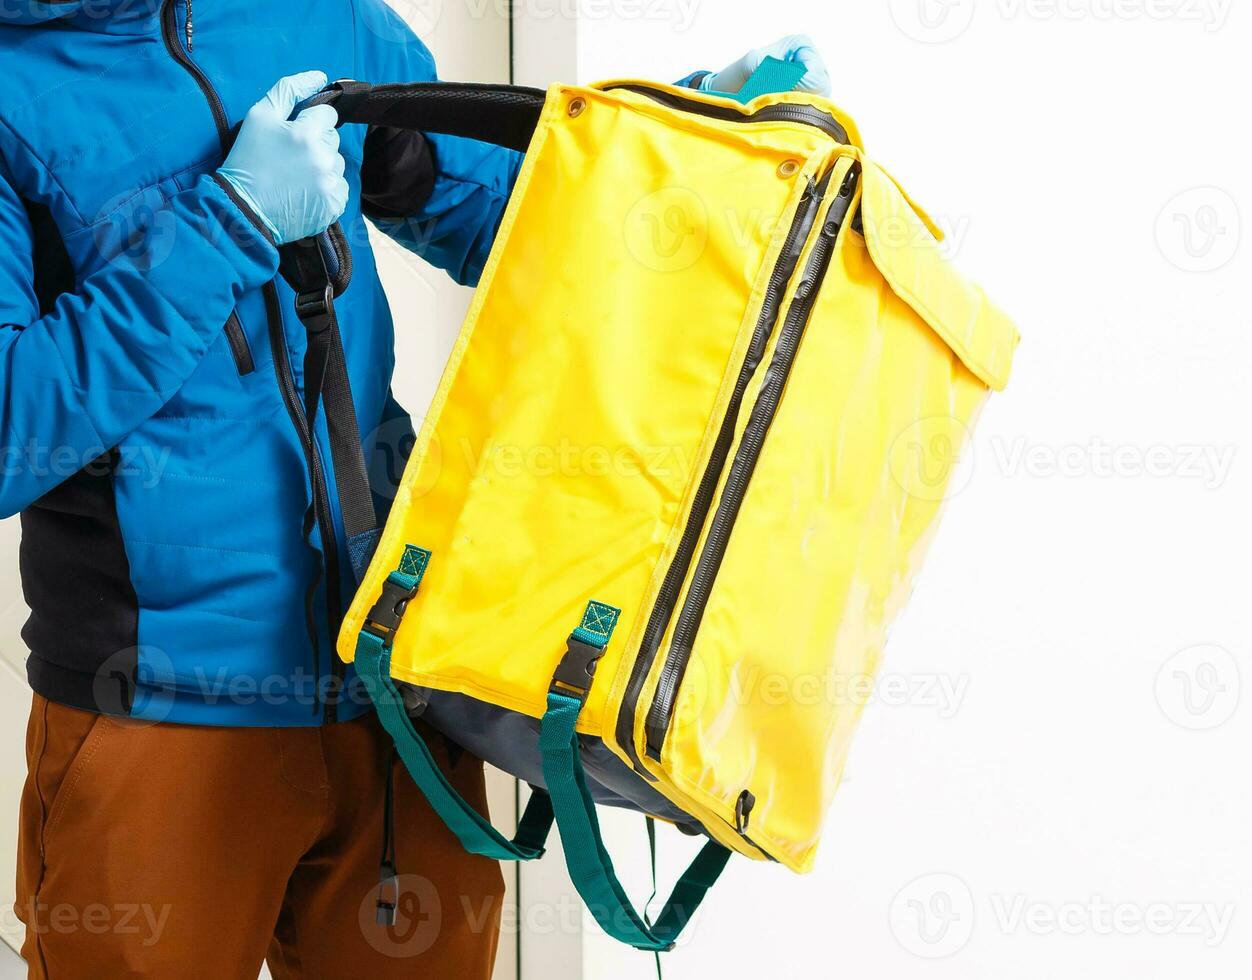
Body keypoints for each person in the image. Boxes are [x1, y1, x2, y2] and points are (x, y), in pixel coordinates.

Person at [0, 2, 830, 976]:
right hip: (158, 709)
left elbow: (514, 220)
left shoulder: (317, 13)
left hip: (394, 685)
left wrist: (685, 154)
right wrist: (228, 222)